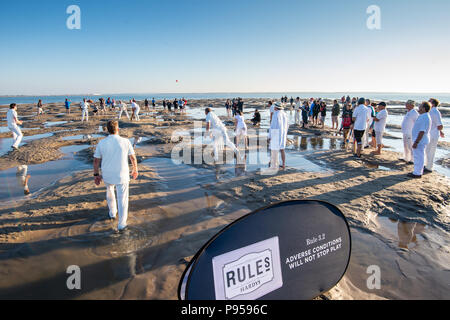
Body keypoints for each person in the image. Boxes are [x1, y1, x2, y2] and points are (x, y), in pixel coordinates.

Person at [94, 120, 138, 232]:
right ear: (118, 129)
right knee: (122, 198)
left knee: (110, 191)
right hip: (122, 174)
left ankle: (112, 213)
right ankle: (121, 224)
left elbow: (96, 161)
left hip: (107, 173)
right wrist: (135, 169)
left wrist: (96, 174)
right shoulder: (125, 141)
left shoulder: (102, 143)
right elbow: (132, 157)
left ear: (107, 130)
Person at [408, 102, 432, 178]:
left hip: (420, 141)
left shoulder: (425, 117)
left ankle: (417, 173)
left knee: (419, 157)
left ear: (424, 108)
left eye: (420, 107)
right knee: (417, 156)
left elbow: (422, 131)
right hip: (418, 140)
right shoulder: (422, 116)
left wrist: (416, 142)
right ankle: (416, 171)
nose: (418, 108)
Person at [424, 98, 445, 173]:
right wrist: (441, 132)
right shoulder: (431, 111)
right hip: (430, 133)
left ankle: (429, 167)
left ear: (433, 103)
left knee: (431, 151)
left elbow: (439, 124)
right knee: (427, 150)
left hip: (433, 134)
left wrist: (440, 130)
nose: (428, 101)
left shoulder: (435, 112)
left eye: (429, 101)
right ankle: (427, 165)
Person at [269, 103, 289, 170]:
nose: (274, 108)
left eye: (274, 107)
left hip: (276, 133)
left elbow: (273, 126)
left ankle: (274, 165)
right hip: (283, 134)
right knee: (282, 149)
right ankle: (283, 164)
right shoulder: (284, 114)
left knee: (274, 150)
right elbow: (287, 125)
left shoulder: (276, 114)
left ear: (276, 108)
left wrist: (270, 136)